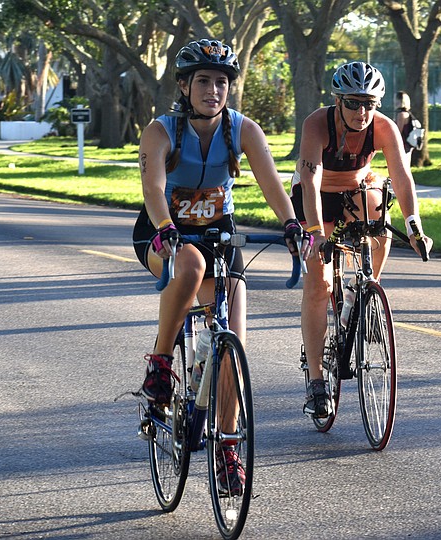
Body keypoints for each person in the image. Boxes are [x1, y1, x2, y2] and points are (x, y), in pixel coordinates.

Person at [132, 39, 302, 493]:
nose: (213, 90)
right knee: (187, 266)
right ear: (185, 86)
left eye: (222, 82)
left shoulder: (242, 129)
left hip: (219, 237)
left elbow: (270, 183)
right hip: (163, 232)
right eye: (203, 81)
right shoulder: (161, 130)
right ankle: (162, 364)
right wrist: (167, 226)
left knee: (232, 343)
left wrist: (291, 225)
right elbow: (153, 187)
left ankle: (228, 448)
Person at [291, 61, 432, 418]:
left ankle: (364, 290)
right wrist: (317, 234)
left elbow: (401, 177)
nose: (361, 111)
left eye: (369, 103)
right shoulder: (316, 124)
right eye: (353, 103)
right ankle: (317, 381)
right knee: (319, 285)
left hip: (356, 189)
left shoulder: (383, 127)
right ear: (338, 101)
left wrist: (415, 227)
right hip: (316, 195)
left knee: (378, 213)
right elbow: (309, 180)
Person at [395, 90, 414, 166]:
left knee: (400, 166)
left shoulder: (401, 115)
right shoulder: (407, 113)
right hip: (408, 144)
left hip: (402, 144)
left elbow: (398, 132)